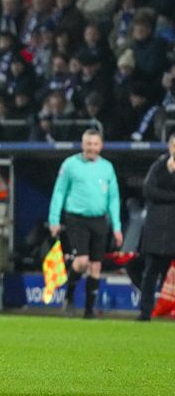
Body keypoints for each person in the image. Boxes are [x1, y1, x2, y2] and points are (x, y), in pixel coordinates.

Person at [48, 129, 123, 319]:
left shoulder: (107, 167)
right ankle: (69, 297)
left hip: (99, 220)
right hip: (76, 218)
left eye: (95, 144)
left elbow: (114, 198)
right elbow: (59, 192)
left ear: (101, 145)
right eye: (88, 144)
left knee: (96, 266)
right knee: (81, 262)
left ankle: (89, 311)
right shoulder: (70, 164)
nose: (91, 148)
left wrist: (117, 227)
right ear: (83, 145)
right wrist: (54, 219)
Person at [137, 132, 175, 321]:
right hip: (156, 230)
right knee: (150, 273)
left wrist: (162, 195)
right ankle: (145, 312)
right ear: (169, 146)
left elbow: (154, 193)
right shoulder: (158, 166)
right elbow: (148, 190)